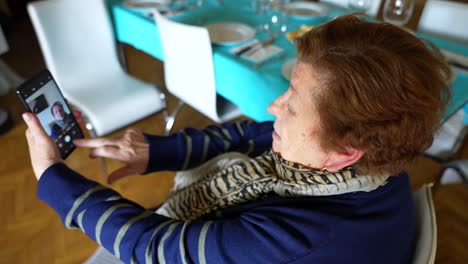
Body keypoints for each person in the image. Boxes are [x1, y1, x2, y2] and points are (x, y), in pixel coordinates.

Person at [23, 15, 451, 263]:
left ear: (344, 151)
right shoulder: (375, 161)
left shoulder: (294, 240)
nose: (273, 107)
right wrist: (155, 151)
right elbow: (251, 134)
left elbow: (153, 245)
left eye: (293, 104)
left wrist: (52, 175)